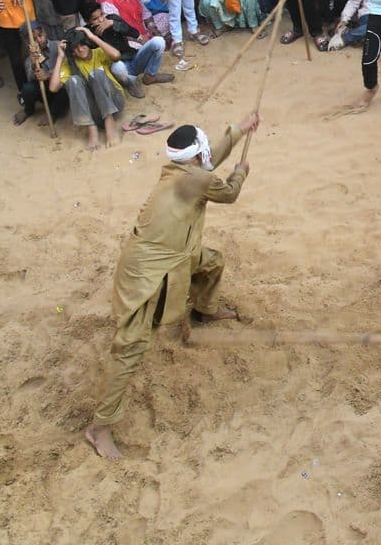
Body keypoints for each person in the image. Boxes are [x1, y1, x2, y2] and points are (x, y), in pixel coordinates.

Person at [84, 114, 261, 461]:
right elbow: (228, 191)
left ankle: (205, 311)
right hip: (150, 272)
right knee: (131, 348)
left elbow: (209, 163)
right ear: (193, 158)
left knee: (213, 262)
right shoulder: (194, 179)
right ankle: (99, 427)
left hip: (180, 255)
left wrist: (239, 129)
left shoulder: (182, 172)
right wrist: (241, 171)